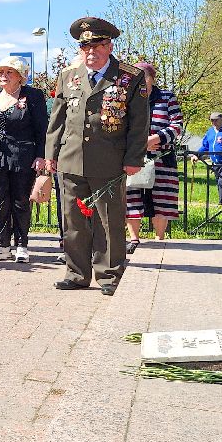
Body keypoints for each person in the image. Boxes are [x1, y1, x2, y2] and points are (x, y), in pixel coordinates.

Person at [45, 17, 149, 295]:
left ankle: (109, 276)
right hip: (71, 157)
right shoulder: (69, 75)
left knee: (109, 220)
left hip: (110, 160)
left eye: (97, 46)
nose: (91, 52)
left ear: (109, 45)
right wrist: (50, 156)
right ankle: (76, 273)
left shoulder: (129, 77)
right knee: (72, 219)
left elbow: (139, 123)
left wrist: (134, 158)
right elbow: (57, 120)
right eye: (85, 47)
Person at [0, 57, 49, 262]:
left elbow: (41, 128)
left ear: (20, 77)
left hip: (22, 156)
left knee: (20, 201)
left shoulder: (33, 96)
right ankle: (1, 244)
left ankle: (21, 245)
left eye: (9, 72)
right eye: (1, 72)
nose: (4, 76)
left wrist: (41, 156)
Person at [124, 61, 184, 250]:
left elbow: (177, 125)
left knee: (162, 198)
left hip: (161, 157)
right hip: (134, 157)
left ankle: (160, 238)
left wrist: (155, 138)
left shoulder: (167, 98)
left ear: (152, 78)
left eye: (144, 77)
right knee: (132, 196)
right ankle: (134, 239)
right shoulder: (126, 97)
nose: (140, 81)